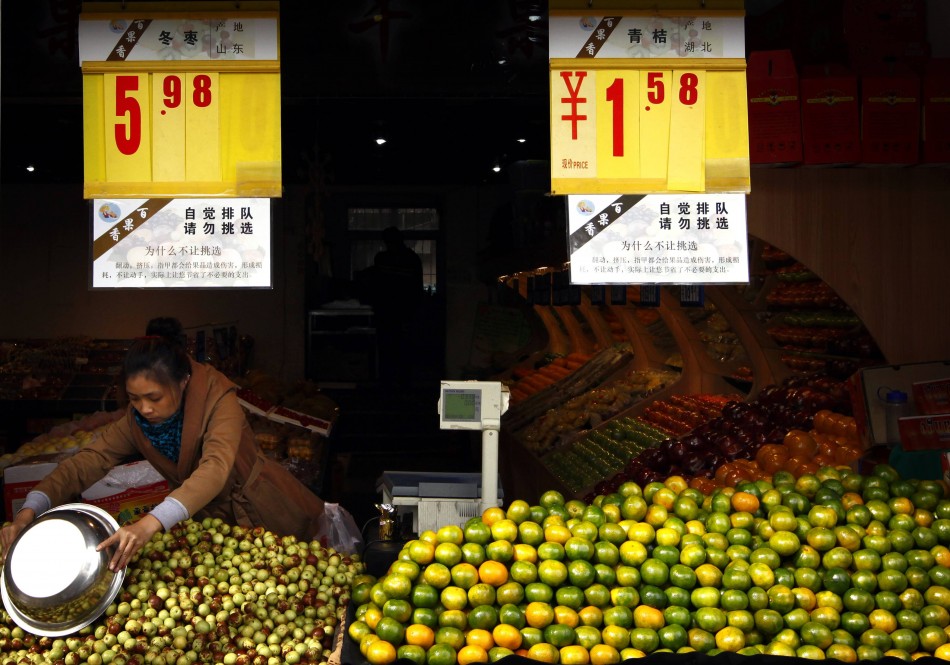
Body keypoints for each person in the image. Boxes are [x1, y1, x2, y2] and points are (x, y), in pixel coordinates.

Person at [0, 317, 327, 572]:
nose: (144, 408)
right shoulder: (136, 421)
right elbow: (85, 463)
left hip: (261, 509)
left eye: (154, 397)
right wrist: (30, 510)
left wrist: (150, 523)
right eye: (134, 398)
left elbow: (214, 468)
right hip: (205, 523)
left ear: (183, 381)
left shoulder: (219, 399)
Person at [370, 226, 423, 387]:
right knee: (403, 349)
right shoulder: (412, 259)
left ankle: (389, 384)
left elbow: (376, 286)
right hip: (404, 312)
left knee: (388, 349)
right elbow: (417, 288)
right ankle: (402, 384)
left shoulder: (382, 258)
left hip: (388, 312)